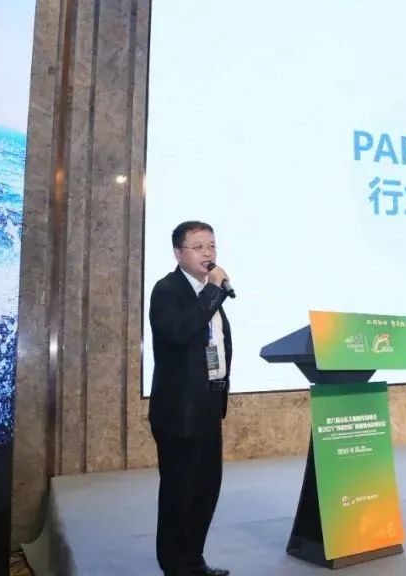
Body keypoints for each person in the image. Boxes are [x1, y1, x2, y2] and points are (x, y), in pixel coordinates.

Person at [148, 221, 233, 576]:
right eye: (198, 247)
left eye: (211, 246)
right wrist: (213, 291)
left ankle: (194, 562)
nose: (208, 253)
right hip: (179, 411)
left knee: (205, 490)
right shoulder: (167, 290)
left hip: (208, 405)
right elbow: (180, 332)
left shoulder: (207, 294)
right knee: (180, 492)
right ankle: (175, 566)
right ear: (178, 253)